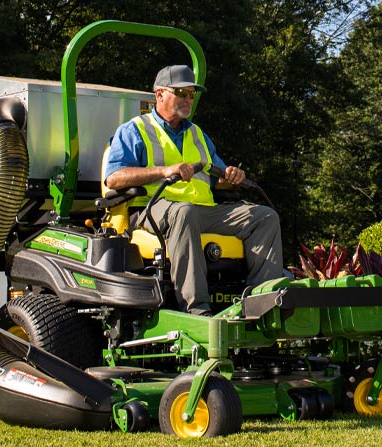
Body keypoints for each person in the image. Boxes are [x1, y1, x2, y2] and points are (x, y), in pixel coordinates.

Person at [102, 65, 283, 315]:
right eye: (181, 92)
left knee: (265, 217)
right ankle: (196, 308)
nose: (188, 99)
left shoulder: (198, 134)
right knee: (184, 212)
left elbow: (217, 177)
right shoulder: (134, 130)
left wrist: (232, 177)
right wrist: (163, 171)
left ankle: (262, 303)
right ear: (159, 94)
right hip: (152, 210)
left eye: (191, 94)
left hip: (203, 211)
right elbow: (113, 178)